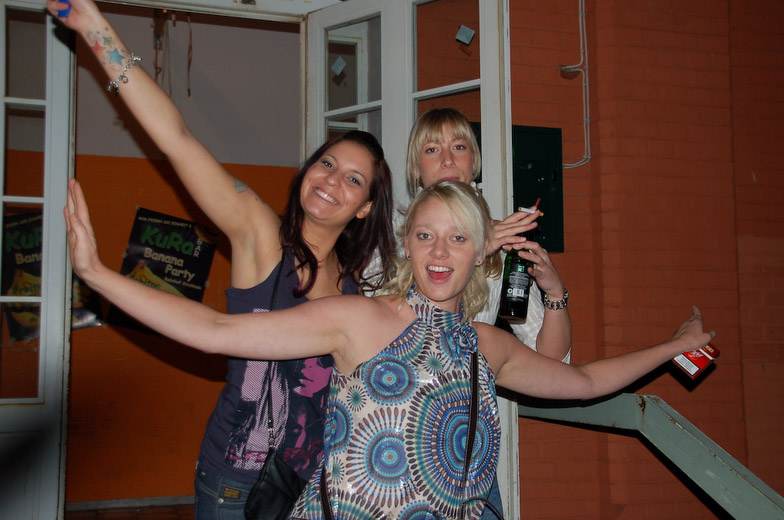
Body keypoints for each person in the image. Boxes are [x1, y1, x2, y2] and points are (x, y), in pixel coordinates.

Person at [65, 178, 715, 519]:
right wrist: (97, 275)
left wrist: (673, 346)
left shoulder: (486, 346)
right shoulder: (359, 320)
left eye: (458, 237)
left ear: (480, 253)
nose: (440, 252)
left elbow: (586, 381)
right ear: (407, 245)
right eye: (425, 235)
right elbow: (215, 331)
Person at [46, 0, 395, 518]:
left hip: (314, 486)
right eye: (326, 163)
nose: (331, 180)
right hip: (236, 484)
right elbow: (176, 138)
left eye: (353, 179)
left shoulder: (353, 283)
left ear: (365, 206)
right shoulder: (260, 233)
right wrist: (94, 28)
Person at [402, 107, 572, 517]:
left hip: (464, 441)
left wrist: (554, 292)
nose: (447, 159)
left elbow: (553, 360)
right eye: (432, 149)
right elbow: (393, 324)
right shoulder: (395, 235)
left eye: (459, 147)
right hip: (392, 431)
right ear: (416, 170)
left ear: (473, 163)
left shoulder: (504, 242)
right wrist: (479, 241)